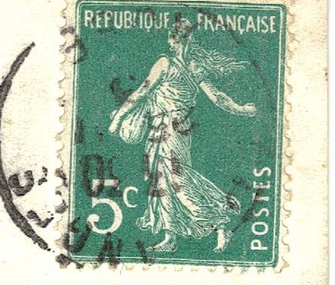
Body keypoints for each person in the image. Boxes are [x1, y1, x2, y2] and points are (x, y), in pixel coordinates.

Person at [108, 16, 258, 254]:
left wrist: (117, 119)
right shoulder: (195, 68)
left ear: (171, 39)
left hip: (169, 129)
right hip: (174, 129)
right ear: (189, 39)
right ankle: (170, 237)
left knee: (175, 179)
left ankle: (219, 217)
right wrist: (241, 109)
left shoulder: (165, 63)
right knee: (163, 180)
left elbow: (141, 92)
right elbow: (218, 97)